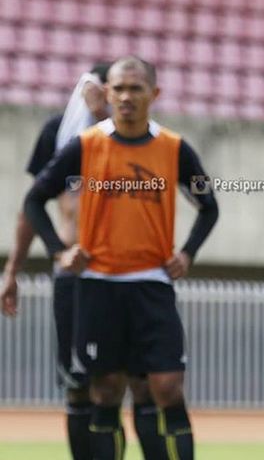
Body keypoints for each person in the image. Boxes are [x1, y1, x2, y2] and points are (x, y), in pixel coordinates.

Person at [23, 56, 219, 460]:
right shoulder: (86, 144)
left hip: (152, 284)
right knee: (106, 390)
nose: (126, 97)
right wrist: (61, 252)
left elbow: (209, 205)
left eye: (136, 88)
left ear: (154, 94)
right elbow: (34, 200)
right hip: (98, 285)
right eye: (119, 89)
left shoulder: (174, 148)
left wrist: (188, 253)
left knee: (166, 387)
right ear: (107, 93)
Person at [0, 63, 164, 460]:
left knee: (138, 384)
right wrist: (13, 270)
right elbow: (32, 204)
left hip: (130, 276)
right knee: (78, 385)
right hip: (76, 278)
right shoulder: (60, 134)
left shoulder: (141, 138)